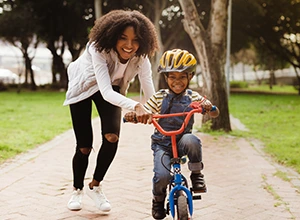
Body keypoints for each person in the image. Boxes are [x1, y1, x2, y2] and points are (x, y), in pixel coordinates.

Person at [63, 9, 159, 212]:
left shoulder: (141, 57)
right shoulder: (98, 49)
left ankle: (94, 186)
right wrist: (136, 105)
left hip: (111, 87)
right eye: (123, 38)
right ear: (113, 36)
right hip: (84, 87)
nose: (129, 45)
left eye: (135, 40)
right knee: (84, 146)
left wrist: (155, 109)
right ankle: (77, 189)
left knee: (112, 136)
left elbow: (148, 88)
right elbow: (105, 92)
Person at [124, 49, 219, 219]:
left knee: (192, 140)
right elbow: (146, 110)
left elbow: (214, 112)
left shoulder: (193, 96)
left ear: (190, 77)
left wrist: (208, 107)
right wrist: (135, 115)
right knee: (161, 176)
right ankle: (158, 200)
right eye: (172, 77)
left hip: (182, 141)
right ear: (166, 78)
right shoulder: (160, 97)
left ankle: (196, 174)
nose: (177, 81)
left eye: (182, 77)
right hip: (162, 144)